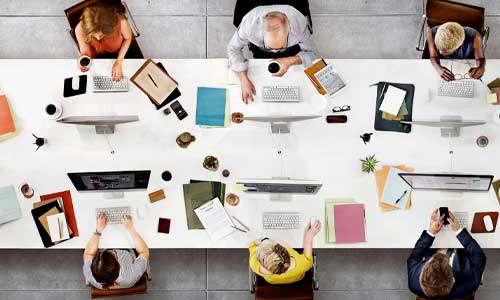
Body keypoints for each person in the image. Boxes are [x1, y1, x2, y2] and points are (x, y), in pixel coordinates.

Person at [227, 5, 319, 104]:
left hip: (291, 43)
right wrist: (243, 79)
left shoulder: (299, 28)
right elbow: (233, 48)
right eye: (270, 47)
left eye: (280, 46)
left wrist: (290, 60)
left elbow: (312, 53)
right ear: (261, 34)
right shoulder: (249, 27)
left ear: (289, 31)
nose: (275, 52)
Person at [407, 209, 486, 298]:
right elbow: (479, 255)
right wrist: (458, 231)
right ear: (452, 279)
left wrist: (430, 232)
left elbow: (414, 257)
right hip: (461, 250)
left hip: (434, 241)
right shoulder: (471, 281)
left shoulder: (413, 282)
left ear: (421, 276)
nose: (441, 254)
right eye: (445, 262)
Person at [83, 213, 149, 289]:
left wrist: (98, 231)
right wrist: (131, 229)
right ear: (118, 266)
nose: (113, 251)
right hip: (126, 248)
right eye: (114, 255)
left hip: (105, 242)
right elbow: (144, 252)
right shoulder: (131, 276)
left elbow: (88, 254)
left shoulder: (90, 273)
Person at [249, 220, 321, 284]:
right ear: (285, 252)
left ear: (260, 259)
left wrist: (262, 242)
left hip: (273, 281)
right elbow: (308, 256)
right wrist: (309, 236)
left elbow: (253, 244)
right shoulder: (303, 264)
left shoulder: (254, 264)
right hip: (297, 278)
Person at [75, 3, 133, 80]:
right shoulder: (79, 29)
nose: (98, 38)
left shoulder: (121, 22)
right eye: (94, 35)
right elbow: (85, 50)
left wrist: (119, 61)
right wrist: (83, 59)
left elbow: (128, 38)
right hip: (96, 57)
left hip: (118, 53)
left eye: (102, 35)